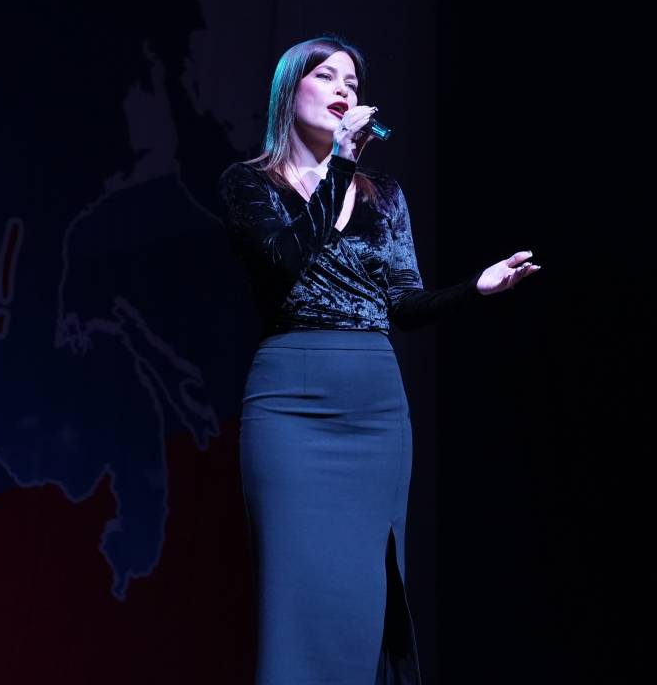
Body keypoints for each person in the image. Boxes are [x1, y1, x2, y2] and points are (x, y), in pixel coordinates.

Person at [217, 35, 540, 684]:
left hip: (373, 407)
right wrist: (338, 164)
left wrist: (473, 289)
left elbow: (403, 306)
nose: (344, 90)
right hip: (290, 401)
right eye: (327, 75)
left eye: (354, 83)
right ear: (289, 90)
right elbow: (287, 258)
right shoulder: (249, 183)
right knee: (296, 599)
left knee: (366, 597)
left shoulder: (383, 194)